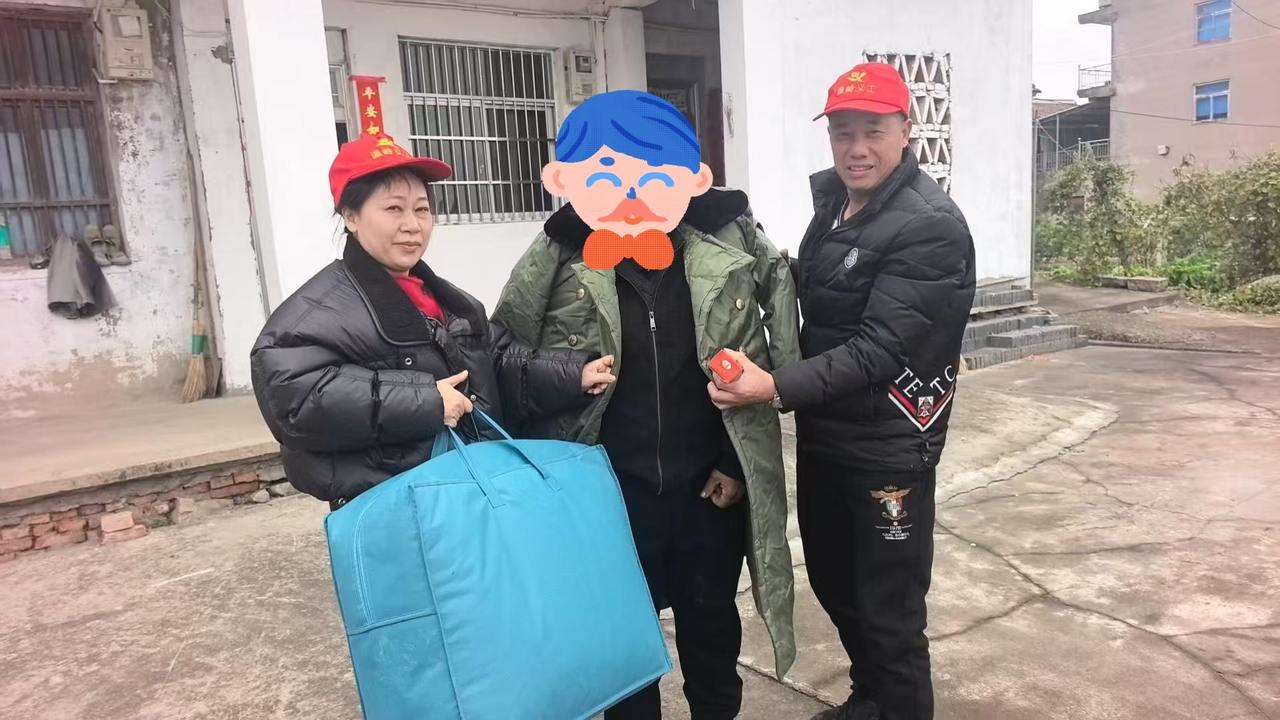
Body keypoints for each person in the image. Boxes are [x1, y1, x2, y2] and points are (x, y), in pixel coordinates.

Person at [491, 90, 800, 719]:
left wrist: (736, 464)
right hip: (610, 495)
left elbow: (768, 343)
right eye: (610, 175)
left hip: (707, 492)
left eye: (653, 175)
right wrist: (566, 374)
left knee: (712, 638)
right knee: (624, 653)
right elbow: (500, 352)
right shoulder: (559, 252)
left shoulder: (725, 247)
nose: (632, 193)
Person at [706, 63, 977, 720]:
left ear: (906, 130)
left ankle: (897, 703)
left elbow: (880, 348)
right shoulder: (838, 205)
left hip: (888, 448)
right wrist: (761, 261)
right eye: (843, 133)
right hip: (830, 432)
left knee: (890, 611)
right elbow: (835, 288)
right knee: (834, 581)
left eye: (872, 132)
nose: (856, 149)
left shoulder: (929, 225)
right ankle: (871, 699)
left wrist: (774, 386)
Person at [250, 133, 616, 506]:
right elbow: (296, 399)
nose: (413, 225)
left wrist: (571, 373)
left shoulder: (447, 299)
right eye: (394, 209)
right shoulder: (315, 313)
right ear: (351, 216)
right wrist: (426, 401)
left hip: (465, 493)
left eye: (422, 209)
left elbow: (494, 361)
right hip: (398, 507)